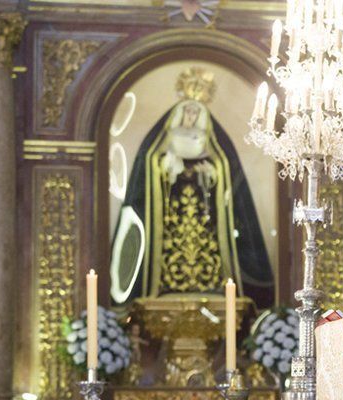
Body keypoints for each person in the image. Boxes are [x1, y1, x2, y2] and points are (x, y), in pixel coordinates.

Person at [109, 67, 274, 307]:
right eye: (187, 110)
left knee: (207, 252)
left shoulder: (211, 138)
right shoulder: (166, 136)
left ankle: (210, 285)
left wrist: (210, 171)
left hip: (205, 210)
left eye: (195, 111)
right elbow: (150, 163)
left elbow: (224, 167)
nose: (191, 115)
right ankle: (165, 286)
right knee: (170, 252)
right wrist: (168, 165)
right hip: (169, 211)